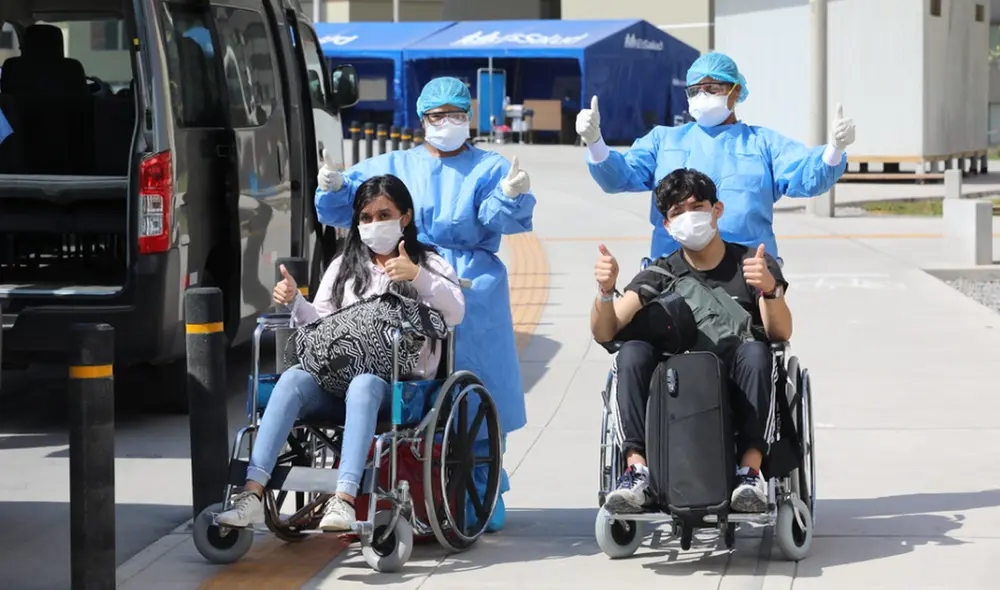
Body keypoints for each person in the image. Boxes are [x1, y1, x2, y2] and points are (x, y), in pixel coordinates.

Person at [314, 77, 536, 531]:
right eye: (438, 116)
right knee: (403, 378)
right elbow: (348, 210)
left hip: (470, 284)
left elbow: (498, 218)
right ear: (422, 120)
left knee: (474, 388)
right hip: (401, 269)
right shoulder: (394, 163)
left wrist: (512, 195)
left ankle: (482, 481)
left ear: (468, 119)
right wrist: (334, 185)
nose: (447, 123)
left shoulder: (490, 166)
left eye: (457, 115)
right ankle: (402, 476)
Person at [217, 174, 465, 531]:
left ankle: (345, 499)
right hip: (335, 381)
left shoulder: (428, 264)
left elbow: (455, 312)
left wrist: (416, 277)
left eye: (384, 215)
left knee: (364, 383)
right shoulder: (344, 267)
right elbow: (319, 325)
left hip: (397, 388)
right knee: (293, 379)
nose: (374, 224)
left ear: (405, 218)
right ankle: (252, 493)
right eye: (366, 218)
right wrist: (295, 301)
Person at [590, 168, 792, 514]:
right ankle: (636, 470)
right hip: (677, 389)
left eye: (697, 206)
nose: (689, 217)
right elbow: (604, 332)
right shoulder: (660, 273)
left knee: (760, 352)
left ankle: (750, 471)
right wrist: (606, 292)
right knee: (632, 353)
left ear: (717, 210)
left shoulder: (751, 264)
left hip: (736, 381)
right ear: (667, 225)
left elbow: (781, 333)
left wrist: (770, 290)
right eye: (676, 212)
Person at [577, 51, 856, 260]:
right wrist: (595, 142)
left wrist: (834, 149)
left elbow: (807, 177)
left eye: (713, 89)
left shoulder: (763, 143)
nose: (703, 96)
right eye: (695, 90)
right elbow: (618, 177)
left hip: (747, 270)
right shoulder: (664, 140)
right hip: (673, 268)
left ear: (735, 92)